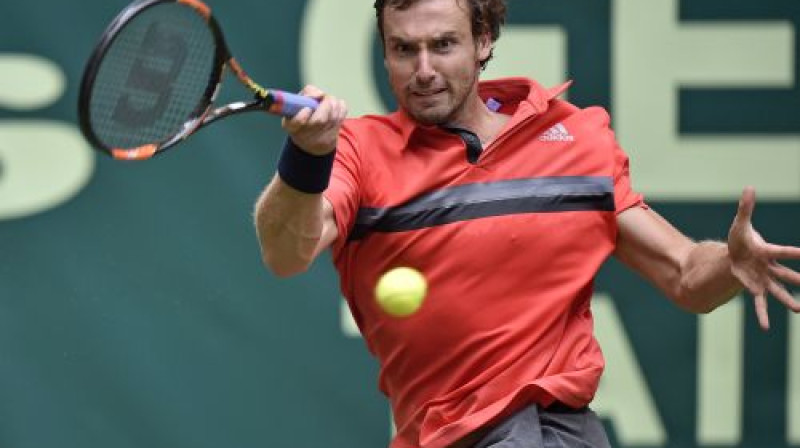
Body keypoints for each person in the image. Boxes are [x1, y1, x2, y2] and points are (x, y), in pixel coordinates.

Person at [252, 0, 800, 446]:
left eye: (443, 45)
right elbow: (285, 253)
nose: (422, 71)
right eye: (403, 49)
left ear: (483, 39)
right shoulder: (359, 151)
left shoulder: (576, 141)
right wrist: (307, 158)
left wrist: (732, 263)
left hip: (550, 430)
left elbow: (683, 275)